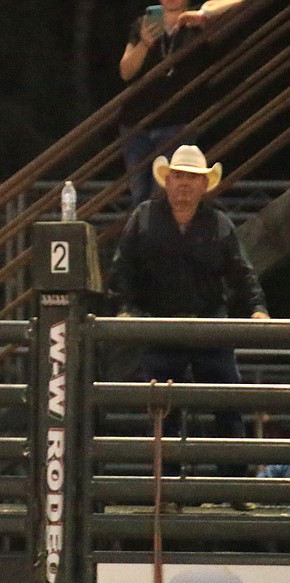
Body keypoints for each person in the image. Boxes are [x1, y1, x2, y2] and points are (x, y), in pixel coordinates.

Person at [108, 145, 268, 484]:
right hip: (160, 324)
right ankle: (164, 485)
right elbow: (123, 269)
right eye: (179, 176)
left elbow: (242, 273)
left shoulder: (218, 224)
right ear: (167, 182)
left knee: (227, 401)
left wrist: (257, 309)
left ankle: (235, 483)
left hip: (209, 324)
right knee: (161, 409)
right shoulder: (145, 218)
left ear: (203, 185)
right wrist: (125, 308)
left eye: (191, 177)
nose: (184, 183)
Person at [118, 0, 247, 207]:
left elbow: (237, 3)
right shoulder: (145, 23)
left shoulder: (198, 22)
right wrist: (144, 43)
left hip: (177, 122)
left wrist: (205, 14)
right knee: (139, 195)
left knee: (166, 195)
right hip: (136, 122)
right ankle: (143, 229)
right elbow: (126, 72)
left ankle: (162, 228)